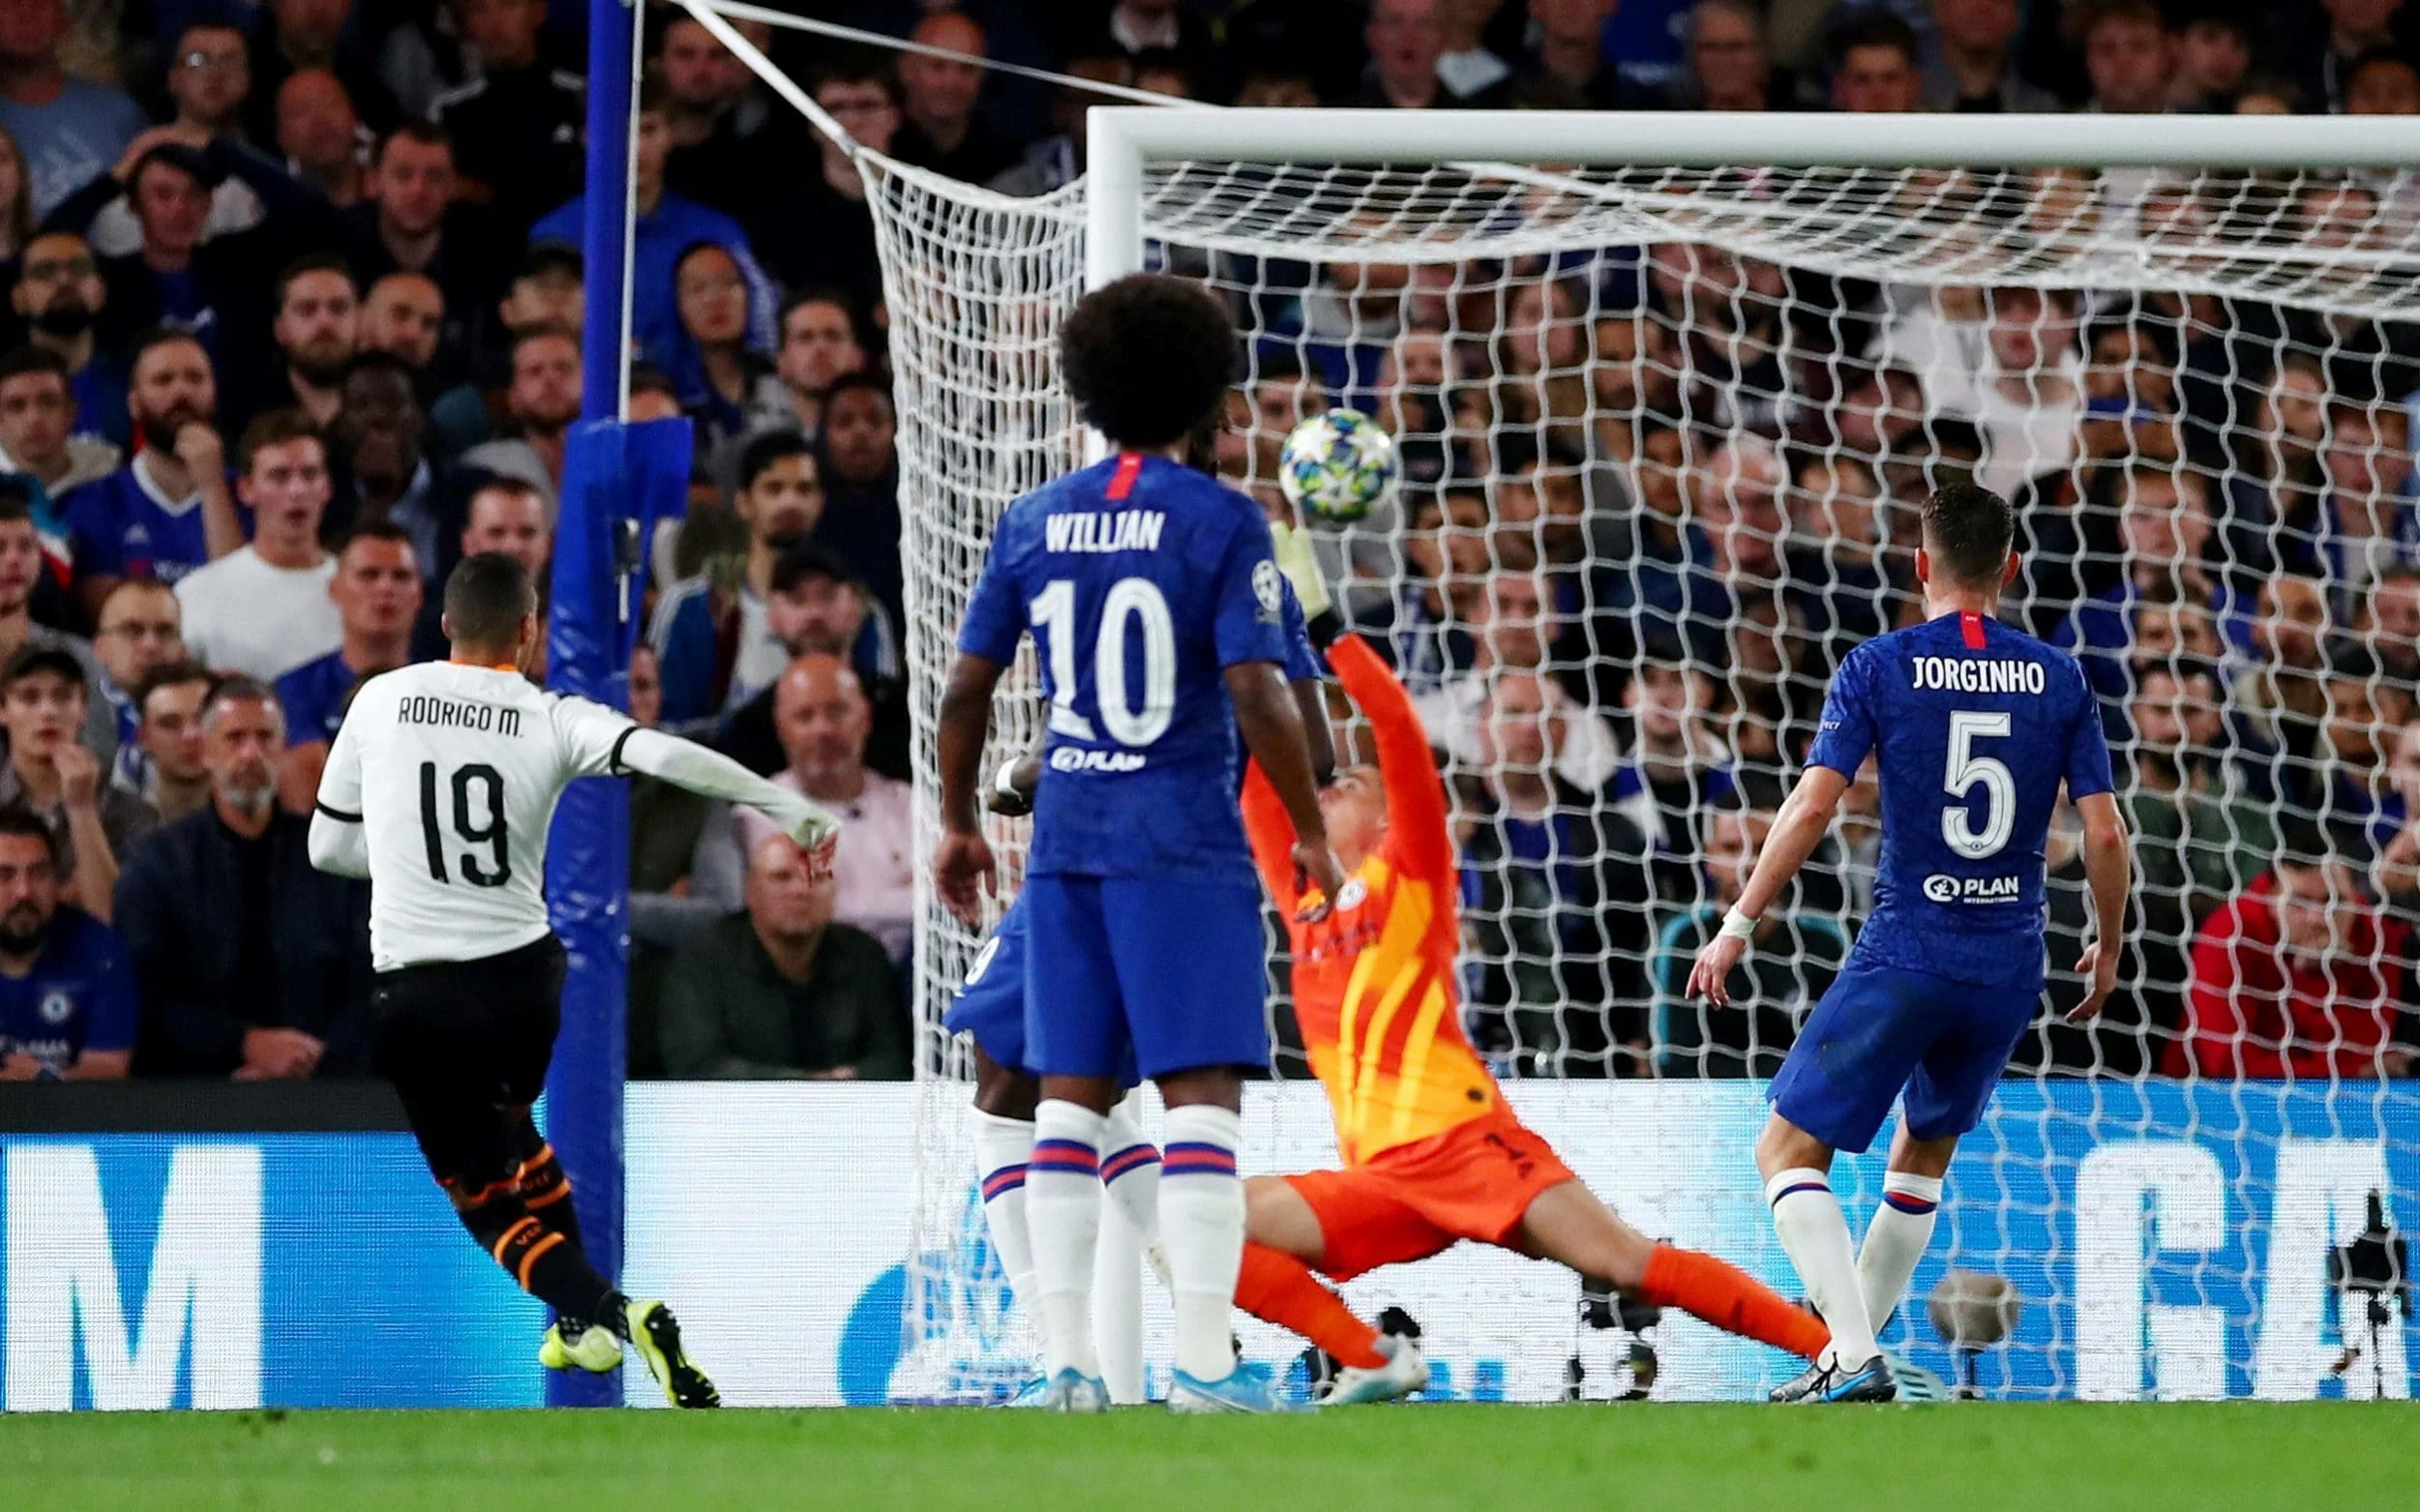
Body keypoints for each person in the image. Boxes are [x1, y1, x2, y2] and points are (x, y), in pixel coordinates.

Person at [1231, 531, 1829, 1403]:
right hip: (1382, 1177)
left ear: (1385, 817)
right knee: (1205, 1224)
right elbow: (1256, 765)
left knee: (1626, 1262)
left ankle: (1832, 1351)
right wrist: (1244, 632)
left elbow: (1393, 723)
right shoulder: (1303, 902)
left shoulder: (1412, 873)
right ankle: (1367, 1354)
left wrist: (1324, 627)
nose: (1330, 787)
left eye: (1348, 783)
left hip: (1469, 1144)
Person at [932, 272, 1341, 1414]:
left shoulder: (1033, 518)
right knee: (1197, 1098)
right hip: (1181, 844)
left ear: (1085, 389)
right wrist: (1311, 833)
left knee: (1067, 1100)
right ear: (1207, 391)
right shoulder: (1222, 520)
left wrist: (958, 819)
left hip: (1067, 847)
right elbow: (1258, 693)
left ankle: (1066, 1366)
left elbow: (966, 686)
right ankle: (1205, 1364)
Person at [307, 550, 845, 1408]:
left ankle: (622, 1315)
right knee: (515, 1133)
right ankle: (578, 1331)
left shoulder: (380, 698)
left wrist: (413, 860)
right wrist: (790, 808)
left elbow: (328, 847)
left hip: (422, 992)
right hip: (525, 987)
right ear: (528, 633)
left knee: (484, 1200)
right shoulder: (551, 716)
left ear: (444, 625)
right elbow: (670, 756)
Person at [1688, 482, 2130, 1404]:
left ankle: (1853, 1353)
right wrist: (2108, 942)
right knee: (1920, 1156)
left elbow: (1813, 804)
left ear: (1920, 563)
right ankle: (1843, 1360)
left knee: (1784, 1151)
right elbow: (2103, 832)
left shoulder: (1879, 665)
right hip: (2008, 961)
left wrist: (1737, 922)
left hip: (1909, 946)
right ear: (2011, 566)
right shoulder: (2060, 676)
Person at [116, 673, 366, 1080]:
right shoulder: (156, 866)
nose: (251, 754)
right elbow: (145, 999)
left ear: (283, 749)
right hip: (194, 1093)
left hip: (325, 1084)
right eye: (234, 738)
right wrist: (244, 1045)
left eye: (265, 738)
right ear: (206, 751)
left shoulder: (333, 859)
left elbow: (368, 986)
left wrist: (312, 1060)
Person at [2170, 819, 2411, 1079]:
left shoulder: (2376, 936)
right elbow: (2227, 1066)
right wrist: (2310, 980)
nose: (2318, 918)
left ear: (2355, 897)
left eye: (2333, 901)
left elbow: (2359, 1060)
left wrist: (2323, 978)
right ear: (2272, 897)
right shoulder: (2229, 934)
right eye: (2300, 901)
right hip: (2202, 1096)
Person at [657, 832, 906, 1080]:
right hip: (743, 1107)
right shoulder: (704, 957)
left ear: (834, 893)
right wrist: (811, 1087)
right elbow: (698, 1066)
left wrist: (832, 1087)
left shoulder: (864, 955)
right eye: (782, 877)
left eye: (817, 878)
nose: (801, 890)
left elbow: (896, 1059)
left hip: (847, 1104)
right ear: (750, 890)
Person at [732, 653, 913, 963]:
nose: (823, 730)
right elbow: (797, 914)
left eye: (837, 712)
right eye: (805, 717)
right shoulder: (759, 814)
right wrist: (905, 898)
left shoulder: (909, 805)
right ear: (781, 728)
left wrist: (840, 899)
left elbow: (945, 904)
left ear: (865, 718)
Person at [61, 328, 242, 616]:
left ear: (214, 392)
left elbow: (242, 602)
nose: (181, 391)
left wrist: (212, 487)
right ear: (134, 403)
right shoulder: (97, 501)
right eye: (163, 380)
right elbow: (109, 619)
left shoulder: (252, 493)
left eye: (195, 378)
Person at [650, 429, 823, 724]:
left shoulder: (857, 611)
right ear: (744, 502)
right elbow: (662, 727)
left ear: (820, 502)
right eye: (774, 489)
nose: (790, 502)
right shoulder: (690, 609)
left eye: (804, 490)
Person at [174, 410, 342, 681]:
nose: (297, 490)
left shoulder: (358, 591)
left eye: (310, 475)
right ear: (246, 489)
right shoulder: (197, 594)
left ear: (327, 488)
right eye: (279, 476)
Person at [275, 520, 423, 812]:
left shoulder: (443, 686)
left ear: (419, 593)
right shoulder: (294, 690)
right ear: (334, 589)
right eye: (369, 575)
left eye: (401, 576)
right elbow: (305, 795)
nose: (385, 587)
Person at [0, 645, 154, 921]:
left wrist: (82, 809)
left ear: (83, 709)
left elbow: (117, 919)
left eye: (62, 696)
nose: (48, 711)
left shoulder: (131, 813)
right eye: (29, 697)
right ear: (3, 710)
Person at [0, 807, 133, 1080]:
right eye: (5, 875)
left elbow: (110, 1068)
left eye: (39, 873)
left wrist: (47, 1077)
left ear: (57, 880)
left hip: (69, 1108)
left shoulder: (101, 950)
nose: (24, 891)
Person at [430, 0, 583, 220]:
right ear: (465, 23)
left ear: (538, 11)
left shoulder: (581, 100)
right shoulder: (449, 113)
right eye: (480, 9)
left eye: (509, 5)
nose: (496, 22)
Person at [0, 0, 148, 217]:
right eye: (12, 4)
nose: (27, 15)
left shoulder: (120, 111)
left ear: (64, 19)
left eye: (41, 3)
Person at [90, 578, 183, 786]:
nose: (150, 645)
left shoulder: (207, 720)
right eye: (133, 631)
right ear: (99, 647)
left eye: (164, 632)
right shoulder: (75, 717)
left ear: (182, 650)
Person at [125, 659, 214, 822]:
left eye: (203, 719)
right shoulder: (119, 825)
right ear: (143, 738)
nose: (191, 736)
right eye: (171, 724)